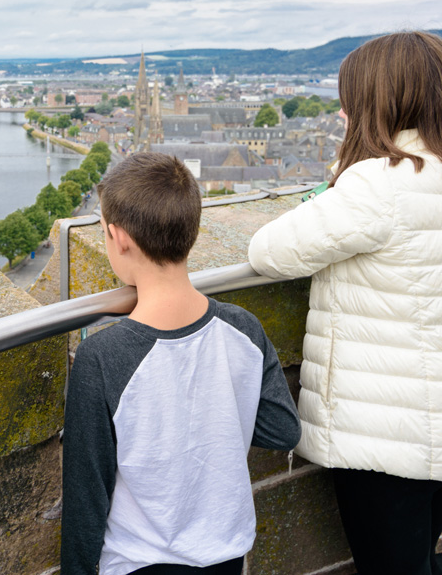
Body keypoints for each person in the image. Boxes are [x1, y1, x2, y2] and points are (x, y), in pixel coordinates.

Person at [248, 30, 442, 574]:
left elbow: (268, 251)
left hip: (387, 438)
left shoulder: (378, 184)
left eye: (349, 98)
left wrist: (341, 175)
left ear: (376, 102)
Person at [62, 152, 300, 575]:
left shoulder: (102, 357)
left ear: (118, 238)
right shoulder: (243, 328)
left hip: (141, 563)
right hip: (225, 555)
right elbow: (283, 429)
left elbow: (86, 500)